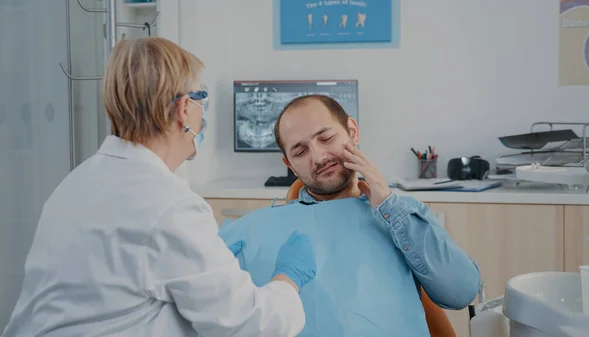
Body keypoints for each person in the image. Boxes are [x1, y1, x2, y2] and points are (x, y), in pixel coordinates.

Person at [0, 37, 316, 337]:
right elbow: (249, 325)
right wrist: (288, 277)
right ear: (183, 110)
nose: (202, 110)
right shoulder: (169, 205)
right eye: (201, 96)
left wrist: (207, 265)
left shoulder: (75, 183)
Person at [230, 94, 480, 335]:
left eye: (326, 138)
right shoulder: (252, 230)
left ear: (353, 131)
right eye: (300, 151)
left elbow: (461, 292)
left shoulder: (403, 215)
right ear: (289, 165)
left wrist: (390, 207)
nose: (319, 157)